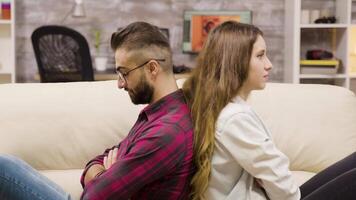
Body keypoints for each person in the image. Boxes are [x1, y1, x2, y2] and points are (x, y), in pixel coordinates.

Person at [0, 21, 195, 200]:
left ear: (152, 68)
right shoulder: (157, 116)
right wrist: (104, 173)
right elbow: (102, 157)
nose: (120, 84)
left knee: (3, 169)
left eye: (124, 73)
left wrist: (103, 174)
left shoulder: (166, 132)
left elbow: (93, 196)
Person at [183, 20, 356, 200]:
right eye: (260, 56)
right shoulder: (234, 117)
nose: (269, 64)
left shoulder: (225, 108)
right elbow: (276, 175)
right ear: (237, 61)